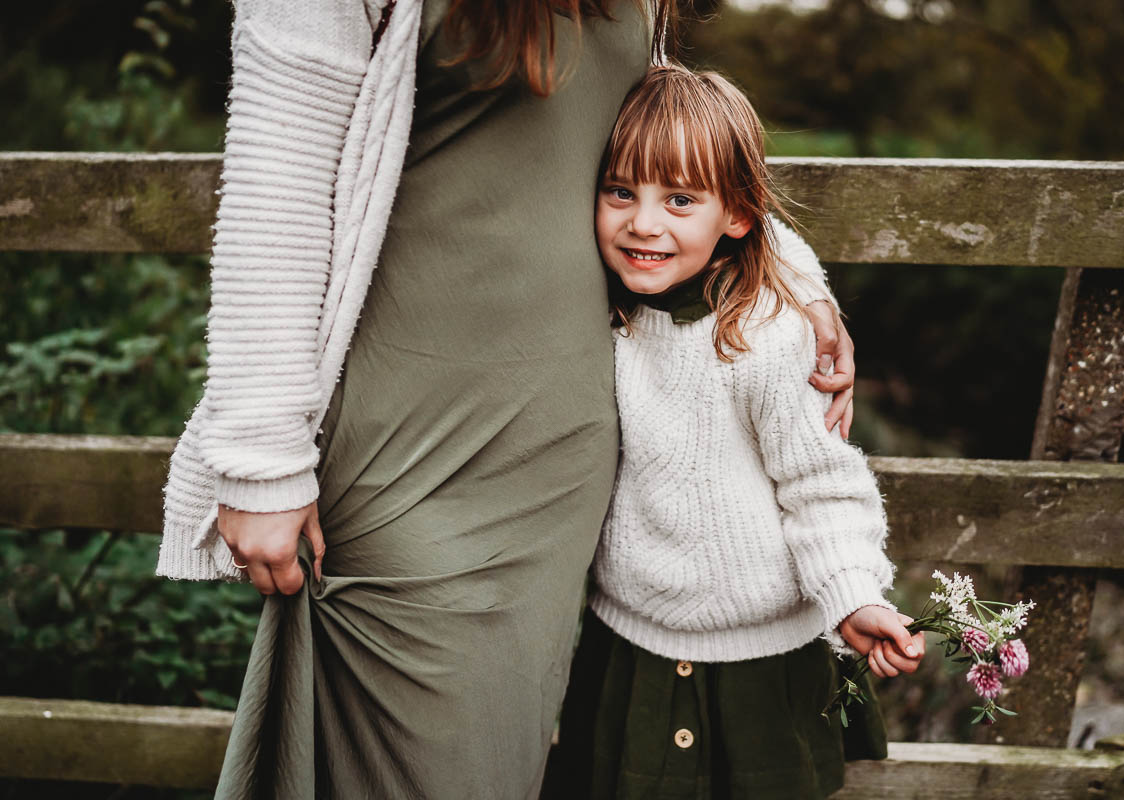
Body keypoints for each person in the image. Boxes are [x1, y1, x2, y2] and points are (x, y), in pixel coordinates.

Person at [156, 2, 857, 797]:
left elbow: (660, 139)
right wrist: (258, 460)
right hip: (410, 458)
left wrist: (797, 289)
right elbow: (276, 186)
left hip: (568, 470)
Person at [545, 64, 925, 800]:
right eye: (620, 190)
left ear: (740, 215)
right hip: (629, 647)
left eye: (679, 199)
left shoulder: (766, 336)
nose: (643, 222)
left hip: (763, 664)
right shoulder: (598, 308)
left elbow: (822, 485)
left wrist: (853, 596)